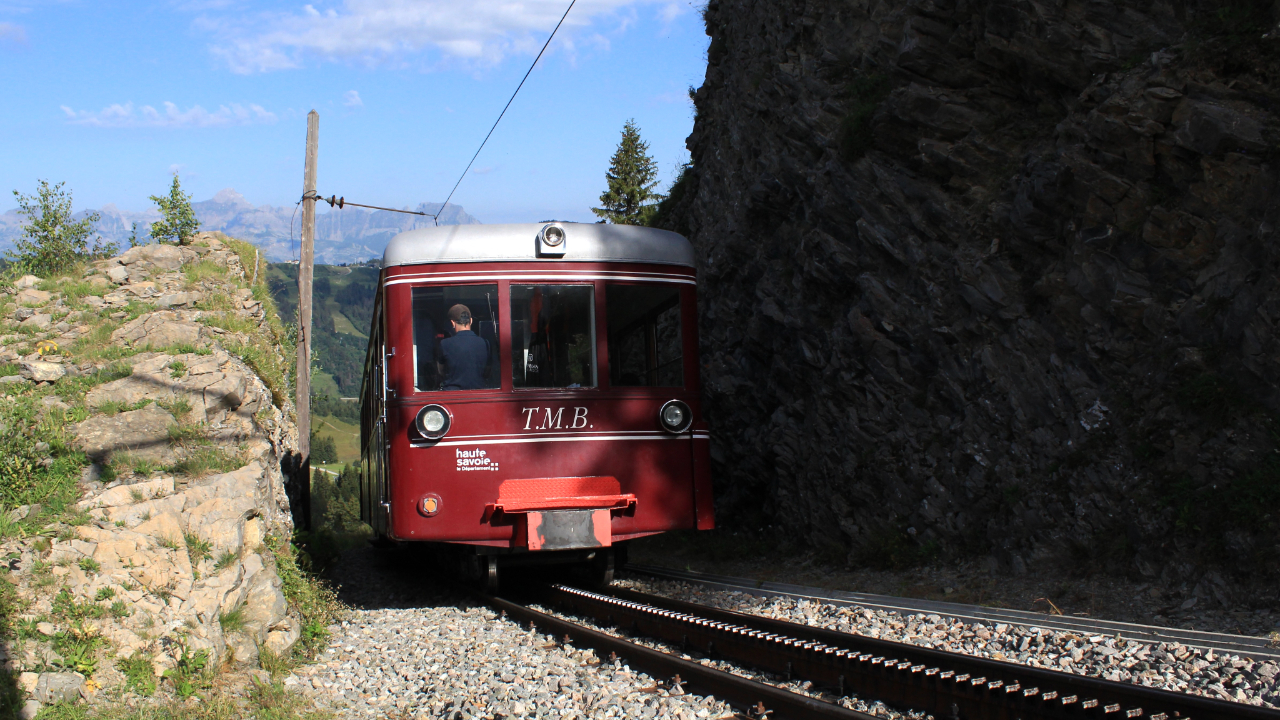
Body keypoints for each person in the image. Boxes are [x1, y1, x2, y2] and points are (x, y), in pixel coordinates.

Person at [438, 304, 491, 390]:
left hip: (452, 396)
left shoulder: (444, 344)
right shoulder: (485, 343)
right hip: (478, 394)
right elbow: (487, 372)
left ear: (452, 323)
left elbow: (441, 371)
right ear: (471, 320)